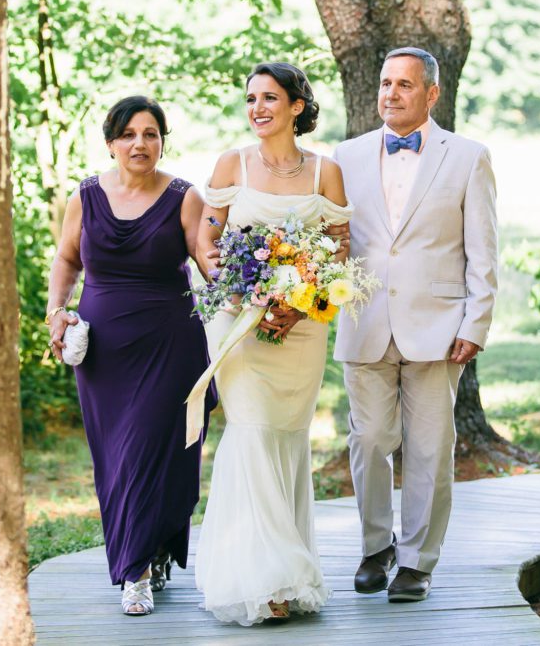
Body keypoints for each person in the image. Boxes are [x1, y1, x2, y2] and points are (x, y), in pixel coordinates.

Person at [333, 47, 498, 602]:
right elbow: (334, 241)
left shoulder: (468, 156)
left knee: (430, 449)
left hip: (438, 325)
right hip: (364, 322)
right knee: (370, 439)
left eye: (404, 85)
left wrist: (476, 321)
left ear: (431, 93)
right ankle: (375, 546)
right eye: (385, 84)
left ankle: (417, 561)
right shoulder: (346, 156)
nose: (391, 94)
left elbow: (483, 249)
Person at [193, 62, 352, 625]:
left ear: (297, 106)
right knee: (253, 433)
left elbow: (337, 249)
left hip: (302, 328)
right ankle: (262, 581)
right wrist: (239, 291)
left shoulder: (324, 173)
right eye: (251, 98)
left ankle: (287, 566)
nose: (258, 108)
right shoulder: (231, 164)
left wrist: (296, 302)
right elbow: (207, 241)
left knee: (287, 439)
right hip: (239, 325)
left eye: (270, 98)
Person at [45, 96, 216, 616]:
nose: (140, 144)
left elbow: (213, 264)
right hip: (105, 353)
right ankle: (148, 552)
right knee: (116, 460)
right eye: (129, 135)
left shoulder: (187, 197)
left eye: (150, 134)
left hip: (170, 344)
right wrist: (55, 311)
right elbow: (67, 257)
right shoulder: (87, 196)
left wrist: (264, 290)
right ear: (111, 143)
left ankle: (137, 571)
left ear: (163, 140)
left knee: (157, 452)